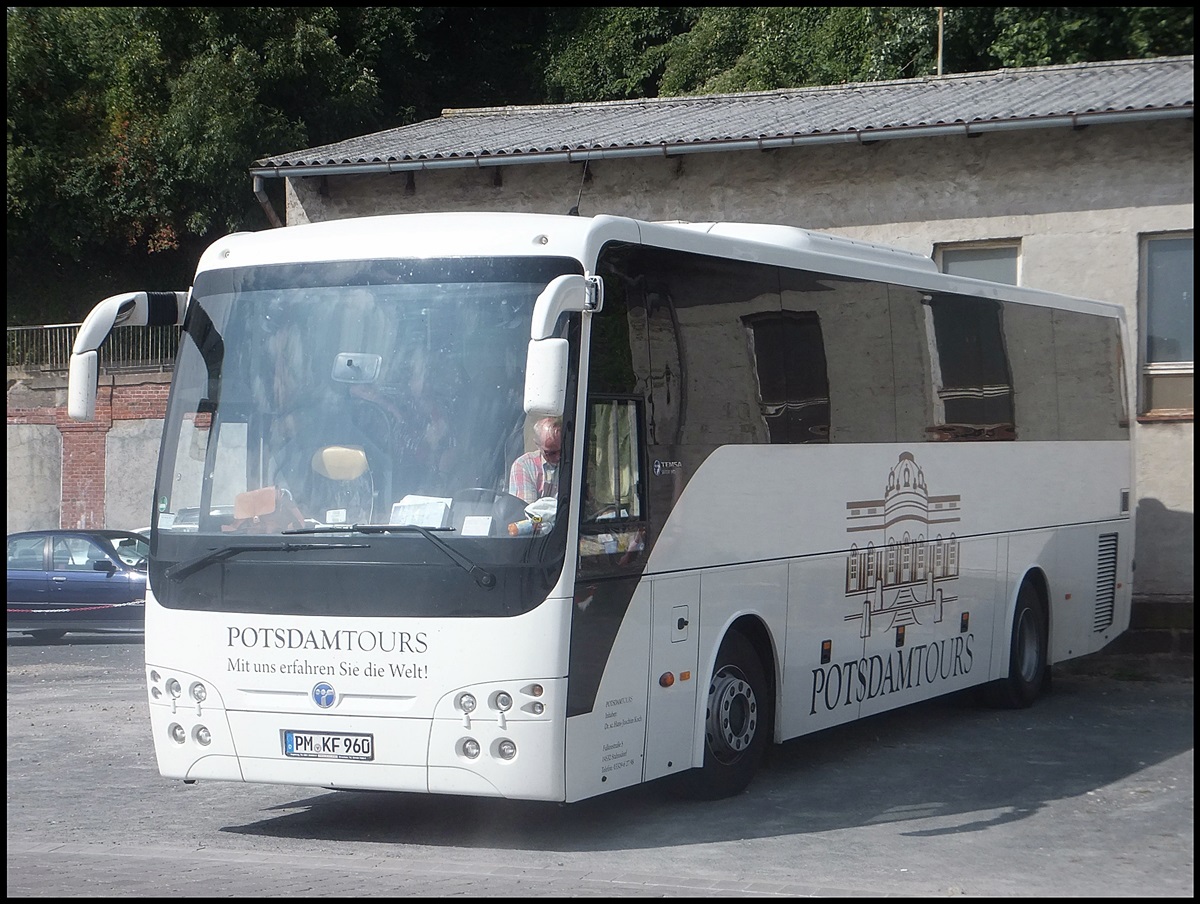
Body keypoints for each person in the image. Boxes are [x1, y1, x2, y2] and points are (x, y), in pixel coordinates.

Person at [508, 416, 562, 503]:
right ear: (538, 445)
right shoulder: (523, 466)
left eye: (562, 450)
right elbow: (527, 511)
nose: (558, 457)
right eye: (551, 453)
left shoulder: (577, 464)